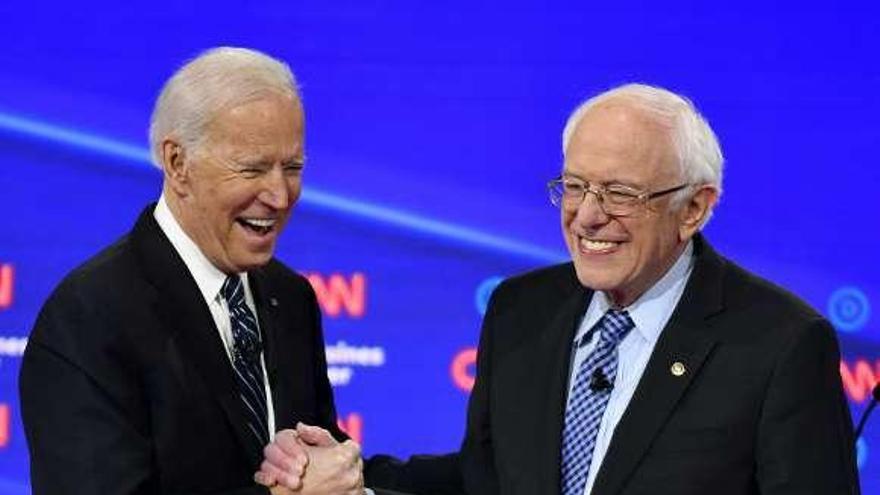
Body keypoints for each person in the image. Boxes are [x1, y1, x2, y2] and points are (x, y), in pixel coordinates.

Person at [258, 83, 861, 495]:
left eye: (620, 193)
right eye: (574, 187)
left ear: (694, 208)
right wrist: (350, 478)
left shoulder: (779, 345)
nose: (587, 217)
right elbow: (483, 480)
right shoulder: (523, 311)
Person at [19, 47, 366, 495]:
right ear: (177, 164)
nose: (280, 196)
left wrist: (343, 474)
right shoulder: (89, 317)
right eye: (252, 169)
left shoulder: (290, 297)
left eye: (293, 168)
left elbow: (319, 477)